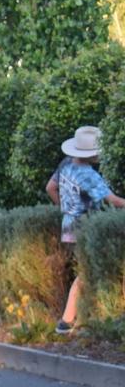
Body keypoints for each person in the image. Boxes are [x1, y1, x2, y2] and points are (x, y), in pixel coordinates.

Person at [47, 126, 125, 334]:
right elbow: (115, 201)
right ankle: (66, 321)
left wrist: (65, 208)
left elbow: (50, 188)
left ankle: (84, 316)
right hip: (85, 225)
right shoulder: (88, 175)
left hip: (69, 224)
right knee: (86, 271)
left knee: (87, 269)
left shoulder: (65, 164)